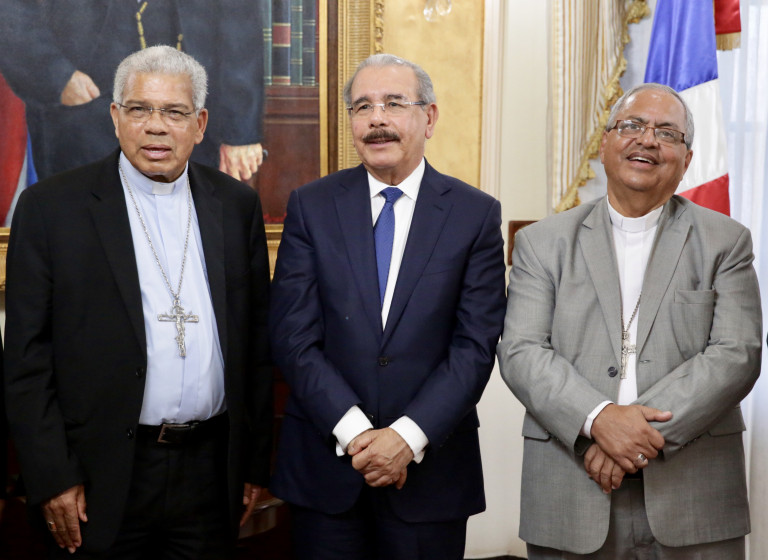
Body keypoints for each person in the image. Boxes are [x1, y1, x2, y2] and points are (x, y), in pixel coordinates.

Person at [3, 46, 272, 559]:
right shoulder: (52, 208)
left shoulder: (236, 206)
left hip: (210, 472)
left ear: (200, 124)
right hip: (99, 476)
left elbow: (256, 344)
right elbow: (26, 360)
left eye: (174, 112)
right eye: (140, 109)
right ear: (115, 117)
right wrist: (53, 476)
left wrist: (254, 464)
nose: (155, 126)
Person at [498, 83, 762, 559]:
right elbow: (522, 352)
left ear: (687, 159)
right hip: (572, 484)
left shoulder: (725, 241)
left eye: (667, 133)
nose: (647, 140)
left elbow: (736, 354)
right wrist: (599, 419)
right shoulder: (543, 242)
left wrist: (631, 436)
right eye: (632, 125)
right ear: (605, 143)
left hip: (693, 490)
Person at [268, 53, 507, 559]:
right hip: (327, 471)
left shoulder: (474, 215)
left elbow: (474, 346)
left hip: (431, 475)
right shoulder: (311, 206)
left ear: (429, 117)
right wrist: (357, 433)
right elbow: (293, 335)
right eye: (363, 106)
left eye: (394, 104)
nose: (377, 119)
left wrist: (405, 438)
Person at [0, 0, 265, 182]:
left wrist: (240, 132)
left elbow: (240, 24)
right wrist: (57, 77)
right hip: (83, 112)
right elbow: (12, 12)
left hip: (193, 115)